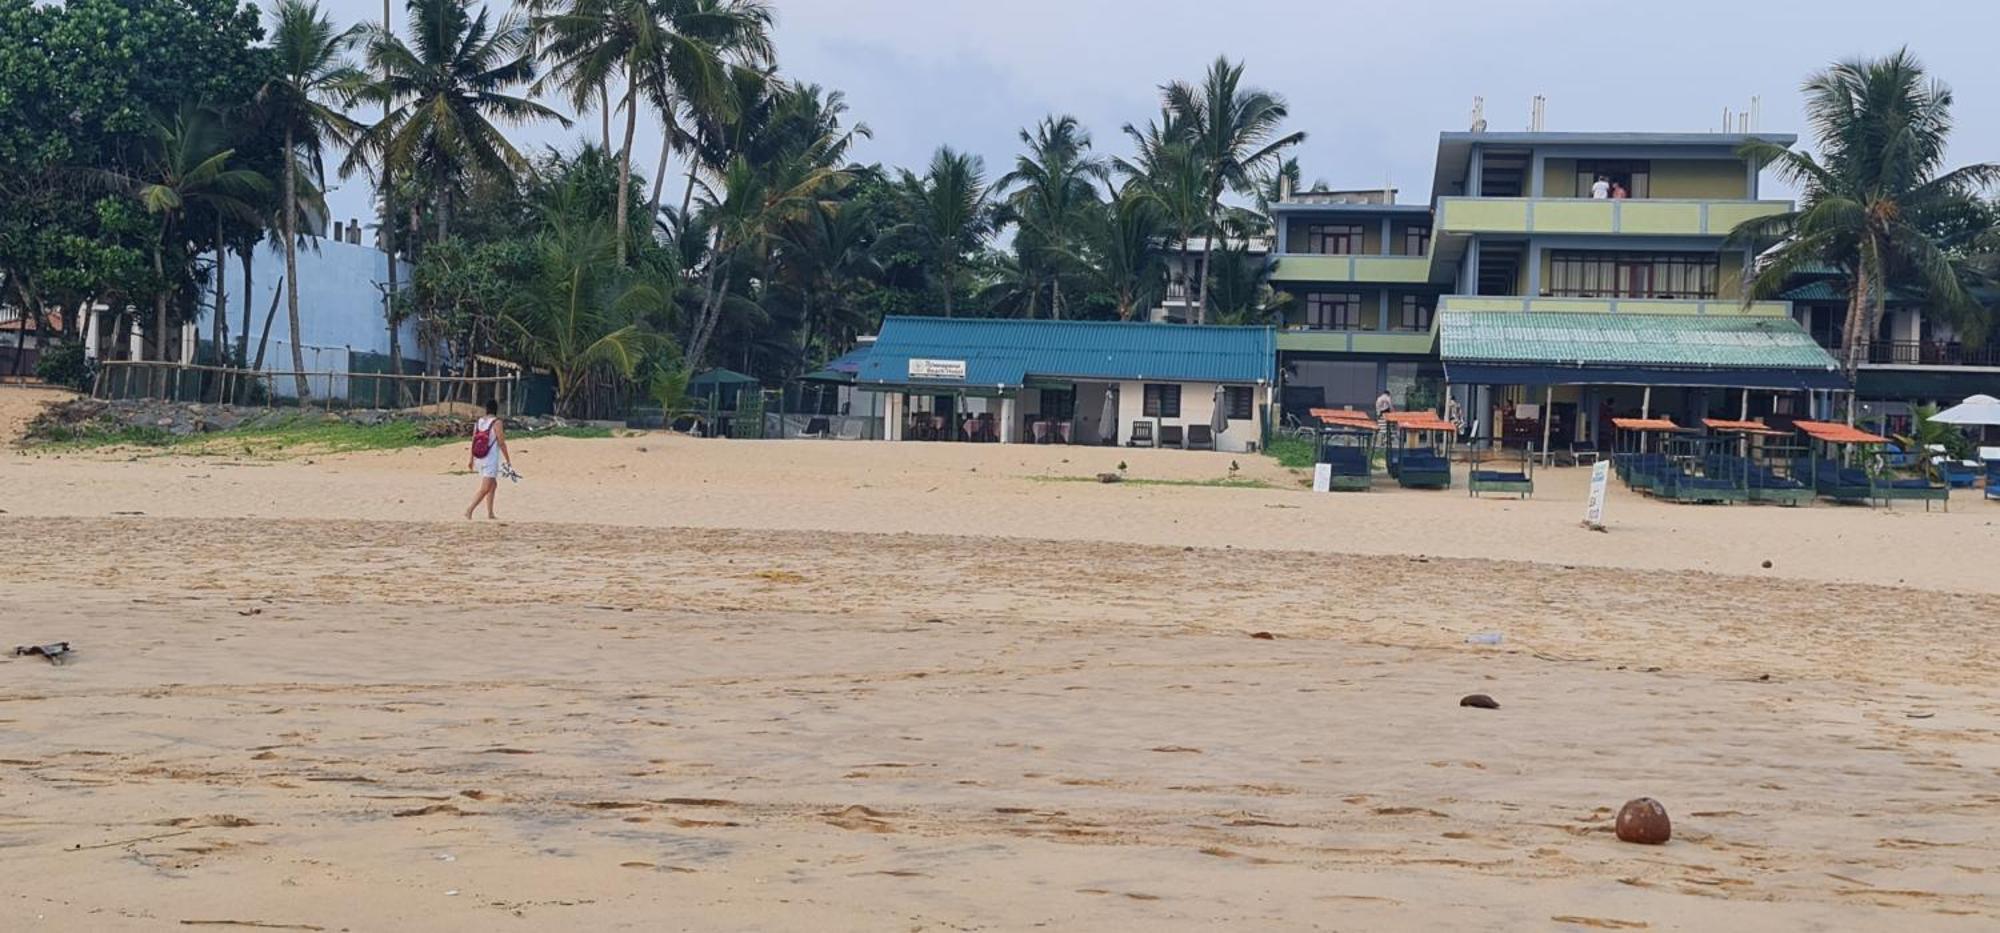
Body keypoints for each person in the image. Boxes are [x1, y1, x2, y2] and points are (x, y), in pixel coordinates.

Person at [464, 399, 512, 520]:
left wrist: (471, 459)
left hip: (480, 457)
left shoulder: (479, 422)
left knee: (493, 485)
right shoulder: (497, 422)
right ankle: (469, 510)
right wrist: (508, 459)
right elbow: (501, 442)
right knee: (485, 488)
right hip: (490, 459)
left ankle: (490, 513)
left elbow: (474, 440)